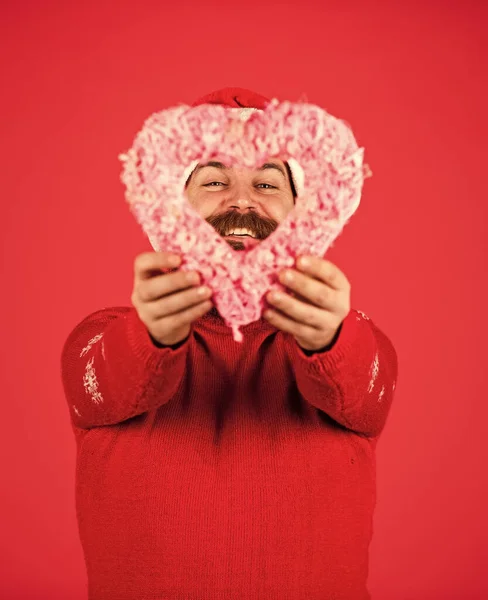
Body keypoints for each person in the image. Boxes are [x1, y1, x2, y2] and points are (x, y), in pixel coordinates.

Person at [60, 87, 398, 600]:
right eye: (215, 180)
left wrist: (331, 338)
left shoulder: (346, 333)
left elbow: (368, 387)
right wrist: (151, 335)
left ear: (307, 210)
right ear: (170, 203)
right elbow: (102, 378)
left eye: (267, 182)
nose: (242, 200)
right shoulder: (103, 334)